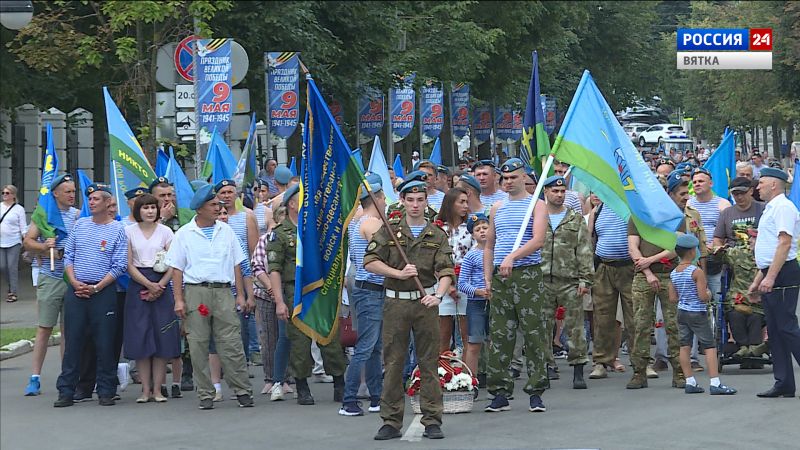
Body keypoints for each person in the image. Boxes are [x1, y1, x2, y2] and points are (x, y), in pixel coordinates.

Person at [364, 180, 454, 441]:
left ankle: (432, 420)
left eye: (420, 200)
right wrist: (398, 273)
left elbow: (446, 270)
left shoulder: (436, 235)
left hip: (425, 302)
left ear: (427, 202)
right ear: (402, 201)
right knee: (393, 362)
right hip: (396, 303)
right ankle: (391, 421)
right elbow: (370, 262)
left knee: (428, 362)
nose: (415, 205)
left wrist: (438, 295)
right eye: (410, 200)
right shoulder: (390, 231)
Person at [166, 183, 254, 410]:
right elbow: (176, 269)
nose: (219, 208)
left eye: (219, 204)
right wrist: (179, 299)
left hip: (224, 290)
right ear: (200, 209)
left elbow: (237, 263)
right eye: (213, 204)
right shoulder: (185, 233)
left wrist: (241, 295)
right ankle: (205, 393)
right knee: (198, 345)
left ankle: (242, 390)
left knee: (231, 342)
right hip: (196, 291)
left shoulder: (226, 231)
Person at [267, 184, 346, 405]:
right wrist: (280, 302)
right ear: (292, 204)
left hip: (320, 289)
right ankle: (302, 385)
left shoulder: (317, 231)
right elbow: (274, 269)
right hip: (294, 291)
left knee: (329, 336)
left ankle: (339, 382)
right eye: (302, 199)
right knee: (299, 341)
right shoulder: (280, 234)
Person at [482, 158, 549, 413]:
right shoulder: (497, 207)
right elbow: (489, 245)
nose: (508, 182)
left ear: (524, 178)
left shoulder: (537, 205)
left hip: (527, 274)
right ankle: (500, 392)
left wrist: (513, 256)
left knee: (533, 332)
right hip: (501, 277)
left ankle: (536, 391)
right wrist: (488, 278)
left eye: (513, 177)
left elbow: (539, 240)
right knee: (500, 334)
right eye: (505, 178)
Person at [53, 183, 127, 407]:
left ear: (107, 203)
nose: (91, 202)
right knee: (73, 340)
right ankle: (66, 390)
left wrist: (97, 287)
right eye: (90, 199)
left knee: (105, 342)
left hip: (103, 292)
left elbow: (119, 265)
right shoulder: (80, 225)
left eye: (96, 199)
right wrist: (75, 282)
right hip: (76, 290)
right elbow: (69, 256)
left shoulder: (117, 229)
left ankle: (106, 389)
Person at [23, 174, 79, 396]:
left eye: (74, 191)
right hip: (51, 276)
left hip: (72, 277)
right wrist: (44, 247)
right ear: (55, 193)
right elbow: (27, 242)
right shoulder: (43, 215)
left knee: (69, 330)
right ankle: (34, 377)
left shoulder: (77, 216)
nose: (72, 195)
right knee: (45, 328)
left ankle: (66, 376)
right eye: (67, 191)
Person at [123, 194, 180, 403]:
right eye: (145, 208)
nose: (150, 211)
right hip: (138, 283)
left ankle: (158, 389)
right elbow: (128, 264)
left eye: (153, 208)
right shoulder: (128, 231)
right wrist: (147, 284)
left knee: (161, 336)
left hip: (162, 283)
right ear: (138, 210)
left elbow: (173, 261)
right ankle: (145, 390)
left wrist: (160, 285)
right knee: (141, 337)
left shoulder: (166, 232)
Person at [749, 167, 800, 398]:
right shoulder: (772, 208)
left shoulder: (783, 207)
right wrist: (758, 279)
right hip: (771, 271)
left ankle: (785, 381)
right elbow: (769, 250)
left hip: (782, 273)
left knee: (787, 327)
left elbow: (784, 244)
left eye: (761, 183)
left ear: (774, 185)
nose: (757, 187)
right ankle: (784, 382)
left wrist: (770, 277)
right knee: (776, 331)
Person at [540, 176, 594, 389]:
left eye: (562, 191)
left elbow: (584, 249)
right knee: (542, 326)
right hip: (542, 279)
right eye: (555, 191)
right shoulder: (538, 216)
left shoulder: (575, 218)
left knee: (575, 327)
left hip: (570, 280)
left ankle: (578, 369)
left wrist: (585, 279)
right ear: (546, 192)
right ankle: (545, 366)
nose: (559, 195)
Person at [339, 180, 387, 416]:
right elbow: (385, 255)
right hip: (370, 289)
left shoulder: (356, 218)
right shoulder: (372, 223)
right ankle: (349, 400)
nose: (386, 202)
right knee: (366, 347)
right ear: (376, 198)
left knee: (374, 347)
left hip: (363, 287)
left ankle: (376, 397)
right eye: (383, 197)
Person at [670, 233, 737, 395]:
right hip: (697, 313)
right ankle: (715, 382)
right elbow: (703, 296)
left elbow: (672, 298)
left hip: (682, 311)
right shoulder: (696, 271)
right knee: (709, 346)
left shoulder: (674, 273)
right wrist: (708, 294)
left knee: (684, 346)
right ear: (692, 252)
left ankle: (689, 381)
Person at [711, 177, 766, 363]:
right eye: (735, 194)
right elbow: (717, 239)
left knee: (757, 310)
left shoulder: (763, 209)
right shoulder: (727, 213)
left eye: (742, 193)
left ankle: (754, 346)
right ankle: (743, 346)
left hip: (760, 262)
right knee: (733, 309)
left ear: (751, 191)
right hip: (735, 264)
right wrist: (719, 249)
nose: (739, 197)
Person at [588, 194, 634, 381]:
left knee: (635, 317)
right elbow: (589, 240)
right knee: (602, 317)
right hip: (604, 268)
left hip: (629, 268)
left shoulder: (631, 208)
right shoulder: (597, 211)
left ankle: (641, 362)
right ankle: (600, 362)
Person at [436, 187, 472, 354]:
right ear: (450, 204)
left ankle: (466, 373)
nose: (465, 206)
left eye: (467, 202)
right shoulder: (438, 229)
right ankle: (443, 371)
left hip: (466, 281)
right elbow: (432, 260)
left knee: (466, 334)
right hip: (442, 283)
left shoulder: (471, 227)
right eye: (461, 202)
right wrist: (448, 286)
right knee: (442, 334)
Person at [458, 213, 490, 383]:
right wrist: (477, 291)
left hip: (495, 302)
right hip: (476, 304)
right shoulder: (471, 255)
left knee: (496, 342)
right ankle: (471, 380)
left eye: (485, 228)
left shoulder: (498, 250)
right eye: (478, 230)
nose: (482, 232)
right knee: (474, 342)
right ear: (472, 234)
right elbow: (462, 283)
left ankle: (497, 379)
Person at [1, 184, 27, 303]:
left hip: (14, 241)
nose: (4, 195)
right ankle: (10, 287)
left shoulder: (19, 209)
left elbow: (23, 226)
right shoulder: (0, 207)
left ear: (13, 195)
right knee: (3, 266)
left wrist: (25, 238)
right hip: (1, 241)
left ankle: (13, 292)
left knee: (12, 266)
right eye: (3, 193)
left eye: (7, 193)